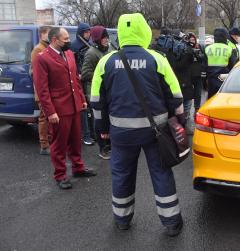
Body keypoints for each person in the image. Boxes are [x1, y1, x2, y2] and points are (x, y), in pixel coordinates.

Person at [91, 13, 185, 235]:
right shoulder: (157, 59)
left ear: (121, 33)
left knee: (121, 174)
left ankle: (122, 220)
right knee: (161, 174)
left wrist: (101, 132)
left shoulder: (106, 61)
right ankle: (171, 223)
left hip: (121, 133)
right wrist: (178, 123)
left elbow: (96, 102)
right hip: (156, 132)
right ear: (144, 31)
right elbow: (176, 97)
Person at [33, 27, 97, 189]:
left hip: (74, 105)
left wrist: (82, 99)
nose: (69, 41)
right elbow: (42, 89)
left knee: (76, 140)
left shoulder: (69, 54)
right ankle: (60, 175)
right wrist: (50, 112)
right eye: (66, 39)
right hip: (58, 109)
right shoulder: (42, 58)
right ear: (55, 40)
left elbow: (75, 79)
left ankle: (78, 167)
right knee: (59, 144)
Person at [81, 25, 111, 160]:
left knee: (110, 120)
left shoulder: (109, 49)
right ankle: (102, 148)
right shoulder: (91, 53)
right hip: (96, 92)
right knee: (99, 121)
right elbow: (86, 74)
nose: (106, 40)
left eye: (107, 37)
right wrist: (103, 75)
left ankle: (110, 145)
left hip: (109, 91)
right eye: (104, 38)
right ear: (97, 39)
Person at [71, 22, 95, 146]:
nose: (88, 34)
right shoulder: (73, 46)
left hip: (89, 80)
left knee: (92, 106)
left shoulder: (90, 45)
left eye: (88, 32)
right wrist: (77, 75)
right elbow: (70, 64)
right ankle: (85, 135)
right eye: (85, 32)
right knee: (83, 108)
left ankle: (93, 133)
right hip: (78, 81)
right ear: (80, 33)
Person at [30, 26, 51, 155]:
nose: (49, 36)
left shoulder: (47, 48)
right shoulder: (38, 49)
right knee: (43, 117)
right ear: (42, 35)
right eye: (48, 33)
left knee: (49, 117)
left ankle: (49, 141)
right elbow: (36, 73)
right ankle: (44, 145)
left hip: (49, 89)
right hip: (42, 90)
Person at [205, 28, 237, 98]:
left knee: (211, 101)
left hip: (211, 80)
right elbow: (233, 67)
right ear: (225, 36)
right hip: (224, 81)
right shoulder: (229, 49)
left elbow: (204, 66)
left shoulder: (208, 48)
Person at [188, 33, 205, 114]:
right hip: (188, 74)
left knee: (198, 92)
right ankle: (187, 108)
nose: (192, 41)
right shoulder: (185, 47)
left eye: (193, 40)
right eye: (190, 40)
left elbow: (202, 58)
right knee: (188, 92)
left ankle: (197, 108)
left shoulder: (199, 47)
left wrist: (196, 53)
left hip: (198, 73)